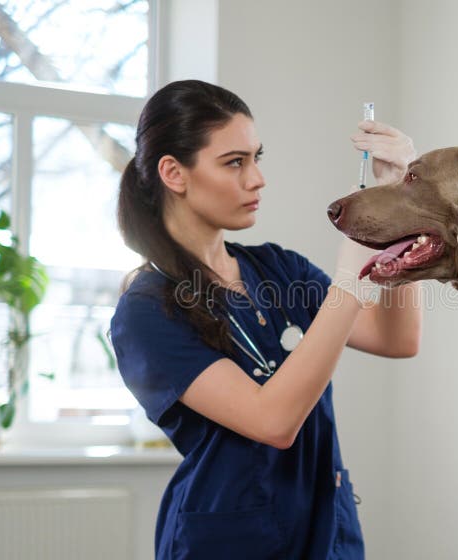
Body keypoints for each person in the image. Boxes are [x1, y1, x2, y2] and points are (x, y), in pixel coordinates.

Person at [110, 80, 421, 559]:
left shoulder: (278, 269)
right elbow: (273, 421)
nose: (257, 179)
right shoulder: (147, 309)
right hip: (231, 540)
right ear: (174, 172)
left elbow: (395, 337)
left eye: (257, 158)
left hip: (325, 530)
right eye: (235, 162)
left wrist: (401, 209)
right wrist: (348, 283)